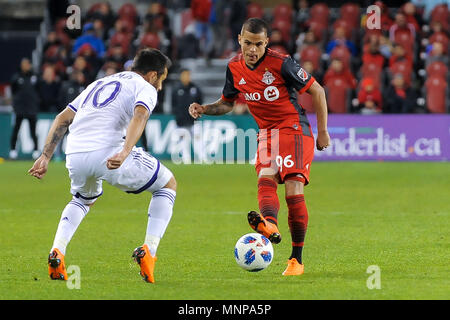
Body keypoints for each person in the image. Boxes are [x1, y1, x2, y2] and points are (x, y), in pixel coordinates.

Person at [188, 18, 330, 276]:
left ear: (266, 43)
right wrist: (205, 109)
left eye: (258, 44)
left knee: (292, 188)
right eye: (247, 43)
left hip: (293, 128)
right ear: (239, 39)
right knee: (265, 177)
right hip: (266, 131)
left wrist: (322, 131)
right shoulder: (234, 67)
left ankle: (296, 260)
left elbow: (318, 92)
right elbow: (227, 103)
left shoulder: (282, 63)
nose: (252, 49)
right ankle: (270, 225)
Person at [28, 48, 175, 284]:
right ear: (152, 75)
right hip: (108, 153)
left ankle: (57, 252)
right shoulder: (145, 87)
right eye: (162, 79)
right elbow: (140, 115)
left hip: (75, 153)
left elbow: (63, 118)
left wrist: (45, 156)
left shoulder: (100, 82)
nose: (159, 86)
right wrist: (125, 151)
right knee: (167, 185)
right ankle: (150, 252)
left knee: (82, 199)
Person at [9, 58, 40, 160]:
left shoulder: (34, 77)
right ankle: (13, 150)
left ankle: (36, 150)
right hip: (20, 108)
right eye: (24, 64)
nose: (26, 66)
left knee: (33, 130)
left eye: (27, 64)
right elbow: (13, 91)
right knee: (16, 129)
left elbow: (38, 90)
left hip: (31, 108)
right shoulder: (16, 77)